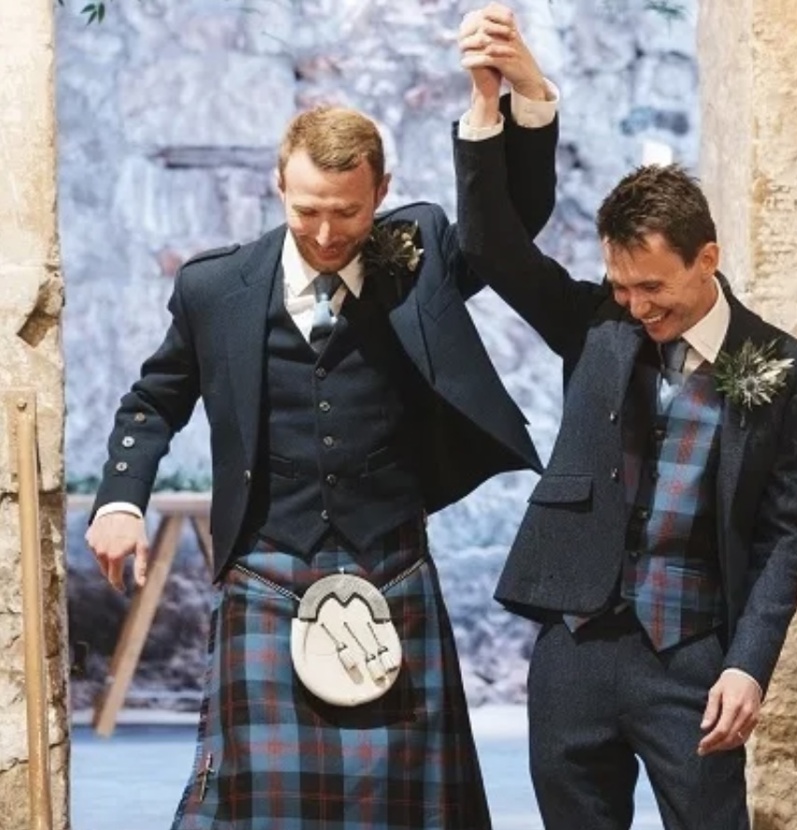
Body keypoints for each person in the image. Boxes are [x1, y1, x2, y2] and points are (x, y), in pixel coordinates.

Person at [84, 7, 557, 828]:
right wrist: (121, 501)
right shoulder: (215, 290)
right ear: (279, 183)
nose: (328, 232)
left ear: (380, 189)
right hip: (267, 568)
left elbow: (510, 225)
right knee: (266, 805)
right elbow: (153, 400)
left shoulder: (419, 255)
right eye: (308, 211)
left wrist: (514, 98)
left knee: (402, 806)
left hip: (390, 561)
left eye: (348, 210)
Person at [454, 43, 797, 830]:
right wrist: (503, 104)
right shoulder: (598, 325)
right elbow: (490, 248)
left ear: (707, 260)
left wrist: (746, 667)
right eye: (620, 285)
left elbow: (784, 537)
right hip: (573, 650)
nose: (636, 306)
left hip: (691, 659)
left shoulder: (782, 367)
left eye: (651, 286)